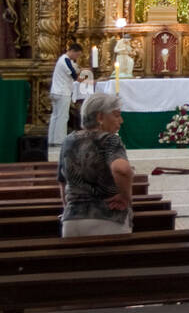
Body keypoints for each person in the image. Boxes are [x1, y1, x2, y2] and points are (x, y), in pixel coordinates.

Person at [57, 92, 133, 237]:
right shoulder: (109, 140)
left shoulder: (68, 140)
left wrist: (68, 209)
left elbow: (62, 181)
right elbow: (122, 169)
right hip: (106, 219)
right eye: (116, 115)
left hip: (72, 222)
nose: (121, 120)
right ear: (100, 117)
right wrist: (126, 196)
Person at [49, 43, 83, 148]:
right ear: (72, 51)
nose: (77, 57)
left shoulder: (62, 60)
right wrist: (84, 79)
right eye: (77, 55)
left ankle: (52, 139)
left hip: (56, 91)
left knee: (55, 116)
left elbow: (75, 69)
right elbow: (74, 75)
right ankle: (60, 140)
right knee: (63, 116)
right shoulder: (65, 60)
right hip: (62, 92)